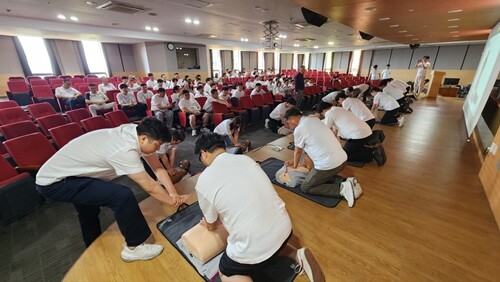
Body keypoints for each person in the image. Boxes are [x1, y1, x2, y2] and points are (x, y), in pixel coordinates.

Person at [35, 118, 189, 261]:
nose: (156, 150)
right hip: (55, 182)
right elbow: (150, 186)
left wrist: (173, 193)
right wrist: (173, 202)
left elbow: (157, 168)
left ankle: (92, 246)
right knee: (121, 196)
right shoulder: (125, 149)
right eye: (156, 146)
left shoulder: (137, 133)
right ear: (143, 139)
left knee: (88, 211)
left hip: (73, 174)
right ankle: (133, 248)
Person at [194, 133, 325, 282]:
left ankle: (282, 254)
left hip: (255, 246)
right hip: (285, 229)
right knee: (267, 238)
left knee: (226, 270)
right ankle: (297, 254)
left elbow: (212, 224)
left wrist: (208, 224)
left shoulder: (204, 180)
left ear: (203, 154)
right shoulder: (245, 159)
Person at [284, 108, 362, 207]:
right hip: (342, 160)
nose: (289, 126)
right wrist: (295, 161)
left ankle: (342, 189)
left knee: (306, 187)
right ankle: (348, 182)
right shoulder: (313, 119)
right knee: (317, 175)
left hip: (330, 164)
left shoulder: (300, 128)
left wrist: (295, 165)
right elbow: (313, 146)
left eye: (288, 123)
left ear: (292, 119)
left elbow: (298, 151)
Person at [317, 102, 385, 165]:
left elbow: (326, 129)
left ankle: (372, 153)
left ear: (324, 110)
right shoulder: (339, 109)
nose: (324, 115)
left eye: (323, 114)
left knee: (344, 156)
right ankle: (375, 136)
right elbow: (334, 129)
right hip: (366, 132)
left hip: (359, 136)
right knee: (350, 149)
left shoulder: (329, 113)